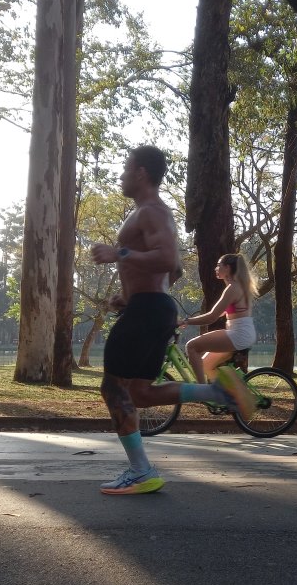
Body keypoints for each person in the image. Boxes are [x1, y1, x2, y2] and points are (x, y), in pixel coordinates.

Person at [90, 146, 256, 496]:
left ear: (141, 173)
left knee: (113, 388)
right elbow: (175, 269)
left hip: (149, 309)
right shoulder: (151, 214)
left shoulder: (151, 211)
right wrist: (133, 293)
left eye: (125, 168)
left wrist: (117, 253)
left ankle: (140, 471)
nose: (120, 175)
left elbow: (167, 258)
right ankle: (218, 392)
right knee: (140, 393)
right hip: (150, 305)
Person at [179, 253, 258, 382]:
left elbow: (212, 317)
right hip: (242, 334)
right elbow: (219, 313)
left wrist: (187, 321)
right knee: (205, 365)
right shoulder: (238, 287)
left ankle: (201, 390)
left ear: (227, 268)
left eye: (218, 265)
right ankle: (226, 393)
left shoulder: (232, 289)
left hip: (238, 335)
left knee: (191, 346)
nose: (216, 268)